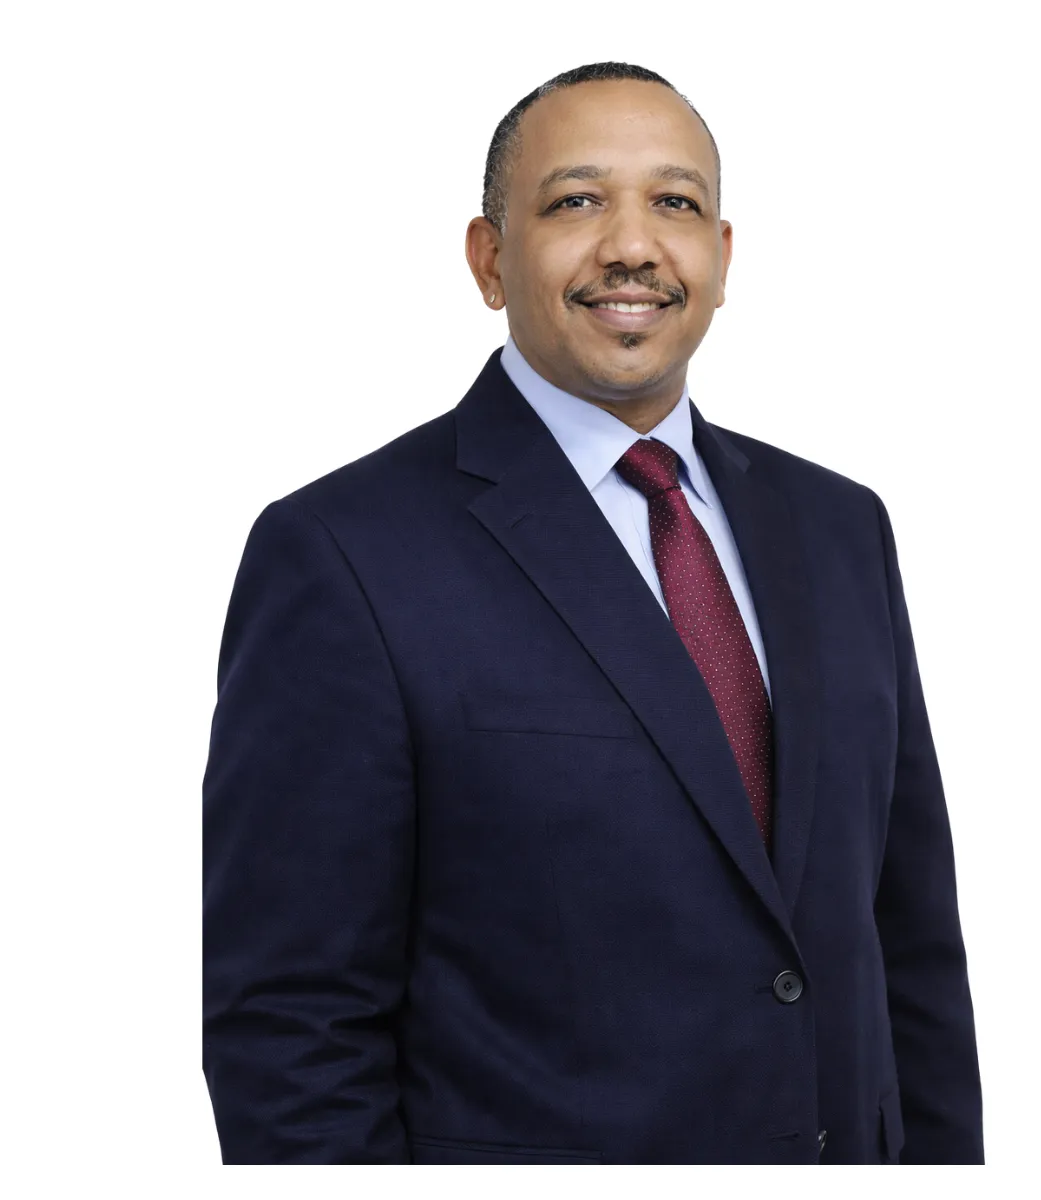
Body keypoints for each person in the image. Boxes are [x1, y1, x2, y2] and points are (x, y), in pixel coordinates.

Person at [202, 60, 984, 1165]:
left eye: (676, 202)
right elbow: (291, 1023)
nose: (632, 245)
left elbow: (910, 945)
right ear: (489, 259)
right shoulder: (343, 554)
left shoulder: (840, 527)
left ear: (723, 256)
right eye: (576, 201)